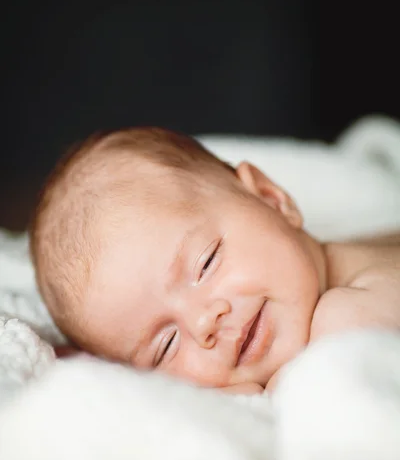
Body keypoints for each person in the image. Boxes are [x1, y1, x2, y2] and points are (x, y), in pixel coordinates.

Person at [30, 127, 400, 394]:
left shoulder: (353, 314)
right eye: (166, 346)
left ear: (272, 199)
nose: (204, 321)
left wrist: (264, 395)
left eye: (206, 264)